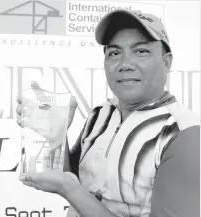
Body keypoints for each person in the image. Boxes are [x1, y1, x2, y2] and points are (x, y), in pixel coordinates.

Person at [16, 10, 200, 217]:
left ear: (166, 62)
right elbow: (75, 178)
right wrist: (57, 135)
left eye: (141, 51)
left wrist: (70, 190)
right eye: (114, 53)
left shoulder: (184, 134)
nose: (124, 64)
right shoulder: (101, 114)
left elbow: (72, 187)